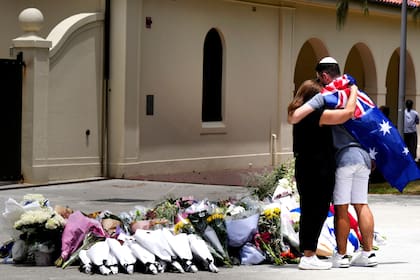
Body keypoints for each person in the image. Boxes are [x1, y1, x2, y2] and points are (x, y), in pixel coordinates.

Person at [289, 57, 378, 268]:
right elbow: (348, 113)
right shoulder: (321, 113)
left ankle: (339, 255)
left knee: (331, 209)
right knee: (357, 205)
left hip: (322, 164)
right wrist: (353, 89)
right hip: (347, 162)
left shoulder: (305, 114)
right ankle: (366, 253)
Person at [288, 79, 357, 270]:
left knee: (309, 210)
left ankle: (308, 254)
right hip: (318, 168)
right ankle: (309, 255)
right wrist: (353, 93)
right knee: (316, 211)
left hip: (304, 166)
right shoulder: (315, 115)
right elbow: (347, 114)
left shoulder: (300, 115)